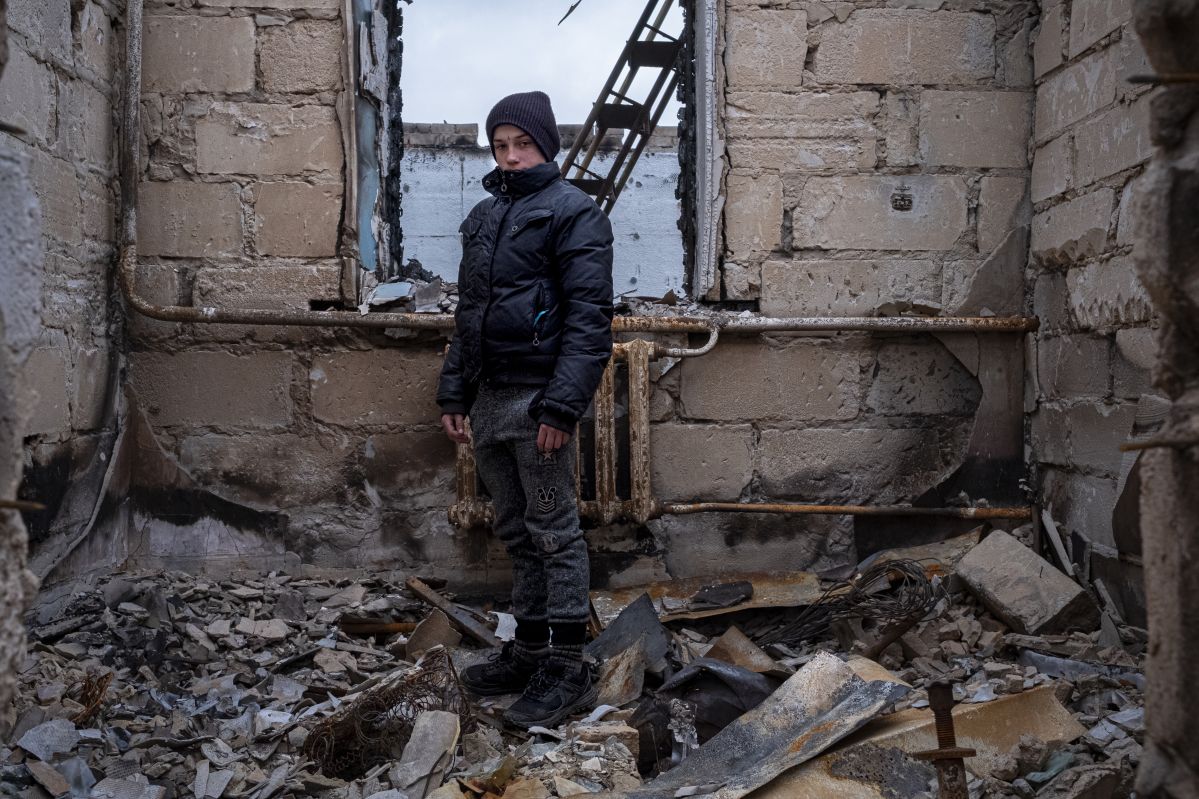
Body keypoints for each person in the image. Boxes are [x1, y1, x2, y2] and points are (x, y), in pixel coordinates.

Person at [436, 91, 614, 729]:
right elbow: (470, 314)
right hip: (490, 400)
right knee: (514, 531)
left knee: (554, 533)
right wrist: (456, 392)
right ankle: (529, 650)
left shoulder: (575, 213)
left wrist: (562, 408)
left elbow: (591, 324)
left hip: (540, 403)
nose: (510, 157)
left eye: (523, 145)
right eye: (500, 145)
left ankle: (567, 666)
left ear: (546, 146)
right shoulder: (484, 216)